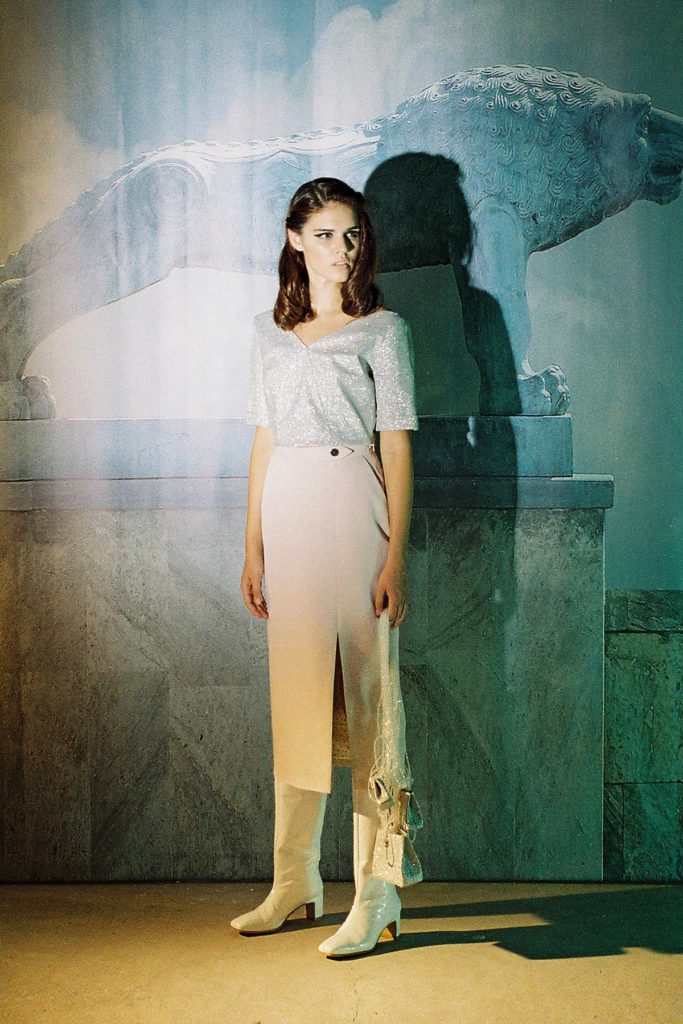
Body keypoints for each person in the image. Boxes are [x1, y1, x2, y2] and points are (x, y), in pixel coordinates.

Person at [232, 177, 419, 958]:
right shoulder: (269, 334)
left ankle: (376, 895)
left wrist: (395, 555)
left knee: (369, 703)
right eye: (324, 235)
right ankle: (294, 881)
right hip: (288, 511)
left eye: (351, 234)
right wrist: (252, 544)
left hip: (354, 504)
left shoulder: (383, 329)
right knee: (298, 700)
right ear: (294, 240)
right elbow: (263, 438)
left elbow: (397, 442)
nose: (341, 249)